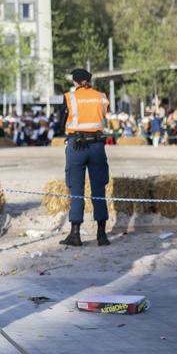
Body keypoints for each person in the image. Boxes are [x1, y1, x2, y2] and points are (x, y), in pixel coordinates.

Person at [57, 68, 110, 247]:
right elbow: (102, 117)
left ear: (75, 81)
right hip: (97, 146)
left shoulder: (69, 97)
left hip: (77, 145)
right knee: (99, 190)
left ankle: (75, 234)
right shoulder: (101, 96)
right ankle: (102, 235)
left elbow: (60, 122)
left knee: (77, 190)